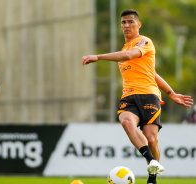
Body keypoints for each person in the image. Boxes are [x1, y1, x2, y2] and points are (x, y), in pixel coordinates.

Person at [82, 9, 193, 184]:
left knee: (151, 139)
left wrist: (98, 56)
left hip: (149, 95)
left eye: (130, 22)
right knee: (126, 121)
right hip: (129, 96)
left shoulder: (144, 41)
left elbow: (131, 58)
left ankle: (152, 177)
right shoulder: (124, 48)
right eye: (123, 22)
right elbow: (151, 71)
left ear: (138, 25)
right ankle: (153, 161)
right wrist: (171, 93)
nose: (126, 25)